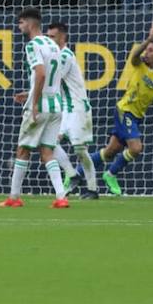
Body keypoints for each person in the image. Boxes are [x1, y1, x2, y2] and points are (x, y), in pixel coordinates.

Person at [89, 23, 153, 196]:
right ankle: (110, 174)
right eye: (146, 49)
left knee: (110, 152)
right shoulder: (138, 63)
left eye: (151, 50)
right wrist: (149, 39)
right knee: (136, 148)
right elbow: (134, 54)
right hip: (124, 110)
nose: (146, 53)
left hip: (137, 116)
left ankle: (76, 173)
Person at [0, 8, 71, 209]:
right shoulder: (54, 44)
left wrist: (34, 102)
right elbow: (52, 76)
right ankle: (61, 197)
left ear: (30, 24)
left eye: (21, 23)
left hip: (40, 106)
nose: (19, 27)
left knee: (23, 150)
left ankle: (14, 197)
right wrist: (30, 92)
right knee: (47, 151)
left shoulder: (32, 45)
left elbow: (40, 74)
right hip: (55, 105)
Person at [45, 20, 99, 200]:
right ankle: (73, 174)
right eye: (48, 37)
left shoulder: (65, 55)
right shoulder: (55, 56)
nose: (49, 40)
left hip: (77, 108)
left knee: (80, 150)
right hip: (65, 108)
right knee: (48, 142)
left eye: (52, 37)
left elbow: (53, 79)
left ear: (63, 36)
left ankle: (92, 188)